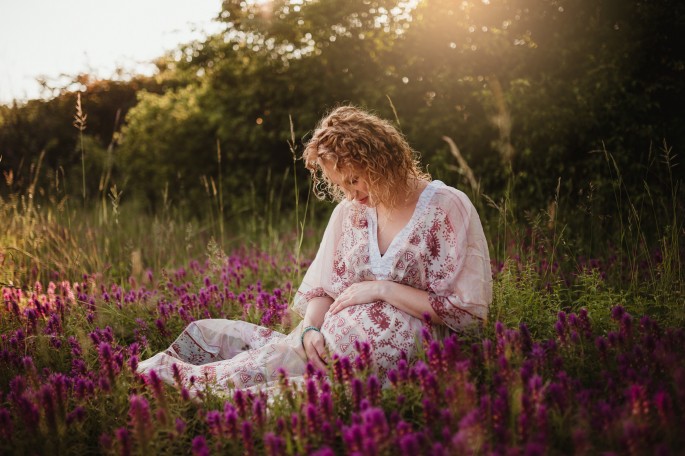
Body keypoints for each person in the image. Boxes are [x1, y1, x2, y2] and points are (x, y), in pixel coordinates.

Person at [137, 106, 492, 394]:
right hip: (328, 345)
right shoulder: (349, 213)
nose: (351, 193)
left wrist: (382, 288)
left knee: (272, 391)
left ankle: (180, 381)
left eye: (355, 179)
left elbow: (465, 312)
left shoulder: (447, 208)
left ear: (384, 160)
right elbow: (324, 290)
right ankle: (182, 378)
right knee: (250, 356)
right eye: (341, 185)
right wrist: (309, 331)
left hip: (408, 356)